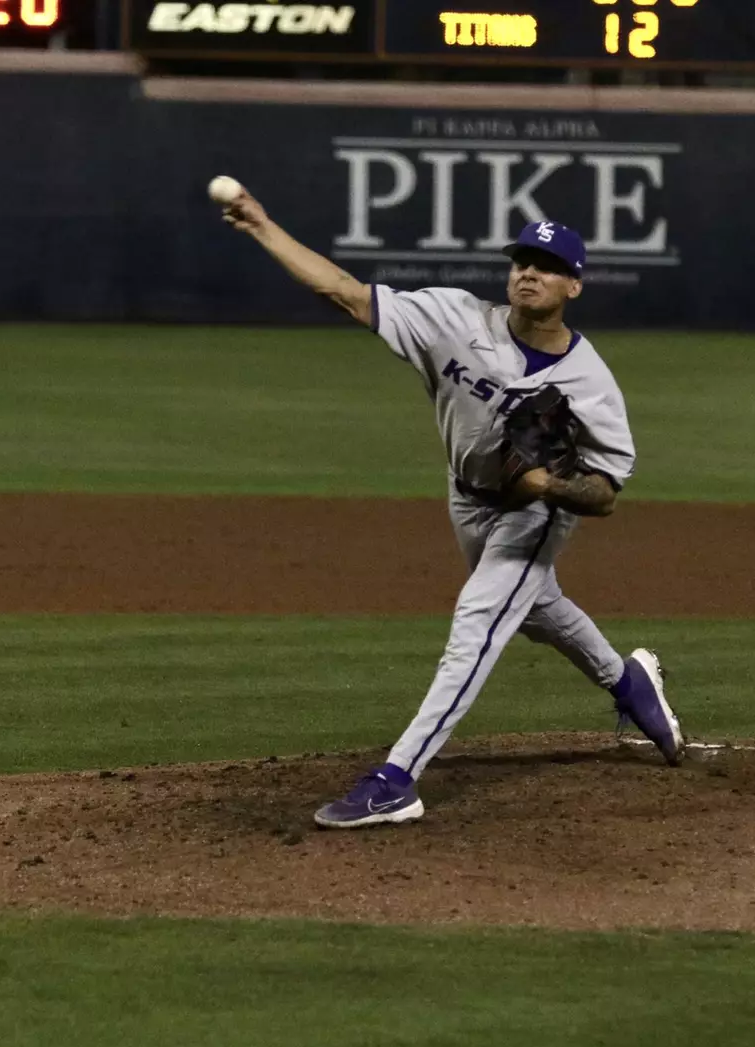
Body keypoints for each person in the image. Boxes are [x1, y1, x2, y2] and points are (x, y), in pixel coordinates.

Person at [218, 188, 684, 830]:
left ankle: (397, 779)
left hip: (535, 515)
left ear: (573, 286)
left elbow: (605, 493)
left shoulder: (590, 382)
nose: (529, 273)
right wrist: (263, 226)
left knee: (477, 623)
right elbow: (346, 293)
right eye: (522, 261)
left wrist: (547, 487)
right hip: (466, 495)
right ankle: (628, 682)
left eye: (548, 267)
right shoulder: (453, 320)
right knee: (536, 608)